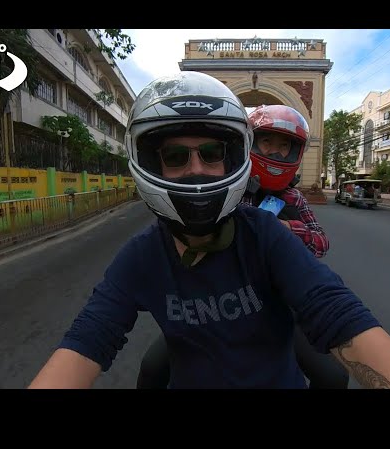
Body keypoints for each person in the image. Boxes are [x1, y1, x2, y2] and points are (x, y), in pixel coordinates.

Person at [28, 71, 390, 390]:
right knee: (152, 369)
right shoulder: (141, 257)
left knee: (332, 375)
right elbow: (87, 341)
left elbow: (338, 314)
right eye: (175, 155)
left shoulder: (265, 233)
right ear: (152, 164)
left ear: (233, 160)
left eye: (212, 153)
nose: (196, 169)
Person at [135, 104, 348, 389]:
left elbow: (320, 243)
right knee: (151, 369)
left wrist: (284, 230)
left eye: (284, 146)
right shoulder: (227, 190)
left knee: (334, 376)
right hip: (219, 301)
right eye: (267, 141)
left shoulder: (294, 199)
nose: (275, 152)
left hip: (279, 306)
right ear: (249, 144)